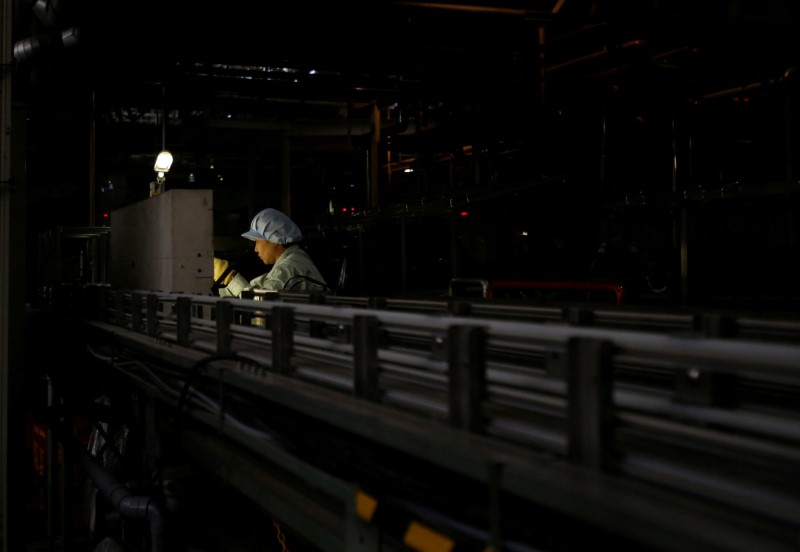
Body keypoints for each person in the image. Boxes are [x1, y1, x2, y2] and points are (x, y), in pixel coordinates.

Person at [214, 208, 327, 297]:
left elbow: (260, 305)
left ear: (275, 240)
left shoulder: (288, 269)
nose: (255, 249)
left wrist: (230, 277)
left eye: (257, 241)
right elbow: (256, 288)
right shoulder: (295, 260)